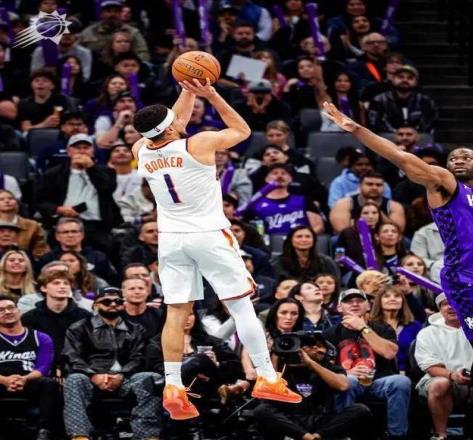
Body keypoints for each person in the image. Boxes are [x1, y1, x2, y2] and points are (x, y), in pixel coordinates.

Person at [323, 100, 473, 440]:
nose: (458, 159)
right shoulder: (445, 184)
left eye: (466, 156)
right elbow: (402, 158)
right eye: (453, 157)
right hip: (469, 280)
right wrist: (356, 129)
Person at [131, 79, 301, 420]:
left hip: (171, 238)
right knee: (241, 306)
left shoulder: (141, 150)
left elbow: (173, 123)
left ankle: (173, 386)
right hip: (208, 234)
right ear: (172, 126)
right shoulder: (200, 143)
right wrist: (210, 94)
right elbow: (242, 130)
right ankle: (268, 377)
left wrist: (187, 89)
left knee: (176, 313)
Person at [62, 286, 162, 440]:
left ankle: (147, 436)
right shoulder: (79, 328)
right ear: (95, 305)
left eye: (118, 301)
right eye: (107, 301)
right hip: (90, 379)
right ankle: (80, 436)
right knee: (74, 380)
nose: (113, 304)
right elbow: (72, 356)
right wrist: (93, 375)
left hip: (126, 379)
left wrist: (121, 375)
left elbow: (139, 357)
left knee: (151, 378)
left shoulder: (136, 329)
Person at [253, 333, 373, 440]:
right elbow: (266, 393)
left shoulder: (328, 367)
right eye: (304, 346)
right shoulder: (283, 366)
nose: (315, 349)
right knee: (262, 410)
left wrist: (311, 363)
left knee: (360, 410)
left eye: (317, 346)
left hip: (322, 419)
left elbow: (343, 385)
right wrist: (275, 355)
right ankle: (306, 437)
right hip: (292, 421)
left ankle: (317, 436)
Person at [328, 288, 412, 440]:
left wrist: (363, 328)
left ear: (368, 306)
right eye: (348, 301)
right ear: (339, 307)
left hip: (379, 381)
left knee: (401, 381)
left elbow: (389, 353)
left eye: (359, 301)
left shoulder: (382, 328)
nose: (355, 304)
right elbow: (326, 366)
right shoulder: (330, 333)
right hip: (350, 380)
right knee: (348, 381)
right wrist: (346, 372)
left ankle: (397, 435)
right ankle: (343, 435)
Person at [35, 135, 123, 253]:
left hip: (97, 226)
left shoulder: (107, 171)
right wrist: (58, 209)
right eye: (77, 148)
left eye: (86, 148)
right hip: (64, 223)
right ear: (68, 152)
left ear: (93, 151)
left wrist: (90, 167)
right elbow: (40, 201)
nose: (82, 151)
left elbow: (107, 189)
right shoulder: (53, 173)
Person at [415, 293, 473, 440]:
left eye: (455, 302)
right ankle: (440, 434)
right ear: (439, 309)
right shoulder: (427, 333)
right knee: (441, 384)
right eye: (445, 304)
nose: (450, 306)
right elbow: (430, 366)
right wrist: (452, 375)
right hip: (441, 377)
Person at [0, 295, 58, 440]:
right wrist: (4, 380)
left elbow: (44, 367)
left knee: (49, 383)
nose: (7, 312)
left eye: (11, 308)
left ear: (19, 311)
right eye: (1, 310)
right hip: (1, 381)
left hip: (30, 381)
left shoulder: (41, 337)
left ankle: (44, 432)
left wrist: (24, 379)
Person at [21, 270, 91, 374]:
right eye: (56, 283)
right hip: (39, 369)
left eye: (66, 283)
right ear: (43, 288)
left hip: (77, 369)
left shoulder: (84, 316)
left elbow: (90, 348)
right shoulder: (29, 318)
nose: (62, 286)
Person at [245, 163, 325, 235]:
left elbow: (318, 227)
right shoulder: (255, 203)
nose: (279, 176)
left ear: (291, 179)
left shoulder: (304, 200)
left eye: (284, 173)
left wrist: (303, 239)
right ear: (266, 179)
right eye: (275, 173)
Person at [37, 217, 117, 284]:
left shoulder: (98, 257)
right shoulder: (47, 259)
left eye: (74, 231)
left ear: (82, 235)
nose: (70, 235)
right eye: (65, 232)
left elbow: (112, 280)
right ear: (57, 236)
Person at [368, 65, 438, 133]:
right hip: (387, 136)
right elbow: (375, 122)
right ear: (393, 80)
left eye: (410, 78)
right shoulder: (380, 99)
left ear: (416, 82)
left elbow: (430, 121)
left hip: (418, 136)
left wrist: (413, 133)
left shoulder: (425, 101)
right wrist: (396, 133)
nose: (405, 80)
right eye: (400, 77)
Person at [330, 171, 406, 234]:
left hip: (383, 240)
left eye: (379, 185)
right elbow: (341, 230)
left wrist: (377, 210)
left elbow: (398, 231)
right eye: (369, 184)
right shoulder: (344, 203)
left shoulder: (394, 206)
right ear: (360, 186)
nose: (374, 187)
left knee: (405, 241)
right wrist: (365, 237)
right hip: (353, 239)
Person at [370, 285, 422, 374]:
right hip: (379, 374)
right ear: (379, 302)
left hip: (410, 374)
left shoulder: (415, 326)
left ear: (403, 302)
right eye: (387, 296)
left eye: (397, 296)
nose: (392, 299)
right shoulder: (370, 326)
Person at [271, 225, 340, 281]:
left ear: (314, 240)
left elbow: (334, 283)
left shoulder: (326, 262)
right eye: (299, 237)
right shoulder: (277, 263)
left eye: (308, 236)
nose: (304, 240)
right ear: (290, 240)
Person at [328, 150, 392, 209]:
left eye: (367, 164)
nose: (364, 167)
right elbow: (333, 205)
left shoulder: (382, 184)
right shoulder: (339, 182)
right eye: (359, 164)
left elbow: (387, 205)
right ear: (351, 167)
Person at [0, 190, 50, 259]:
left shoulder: (32, 225)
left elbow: (41, 248)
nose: (7, 201)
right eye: (1, 199)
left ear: (17, 202)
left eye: (10, 198)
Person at [336, 200, 384, 268]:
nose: (370, 216)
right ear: (359, 216)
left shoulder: (385, 232)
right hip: (353, 270)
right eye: (365, 213)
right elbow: (339, 258)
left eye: (374, 213)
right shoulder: (347, 233)